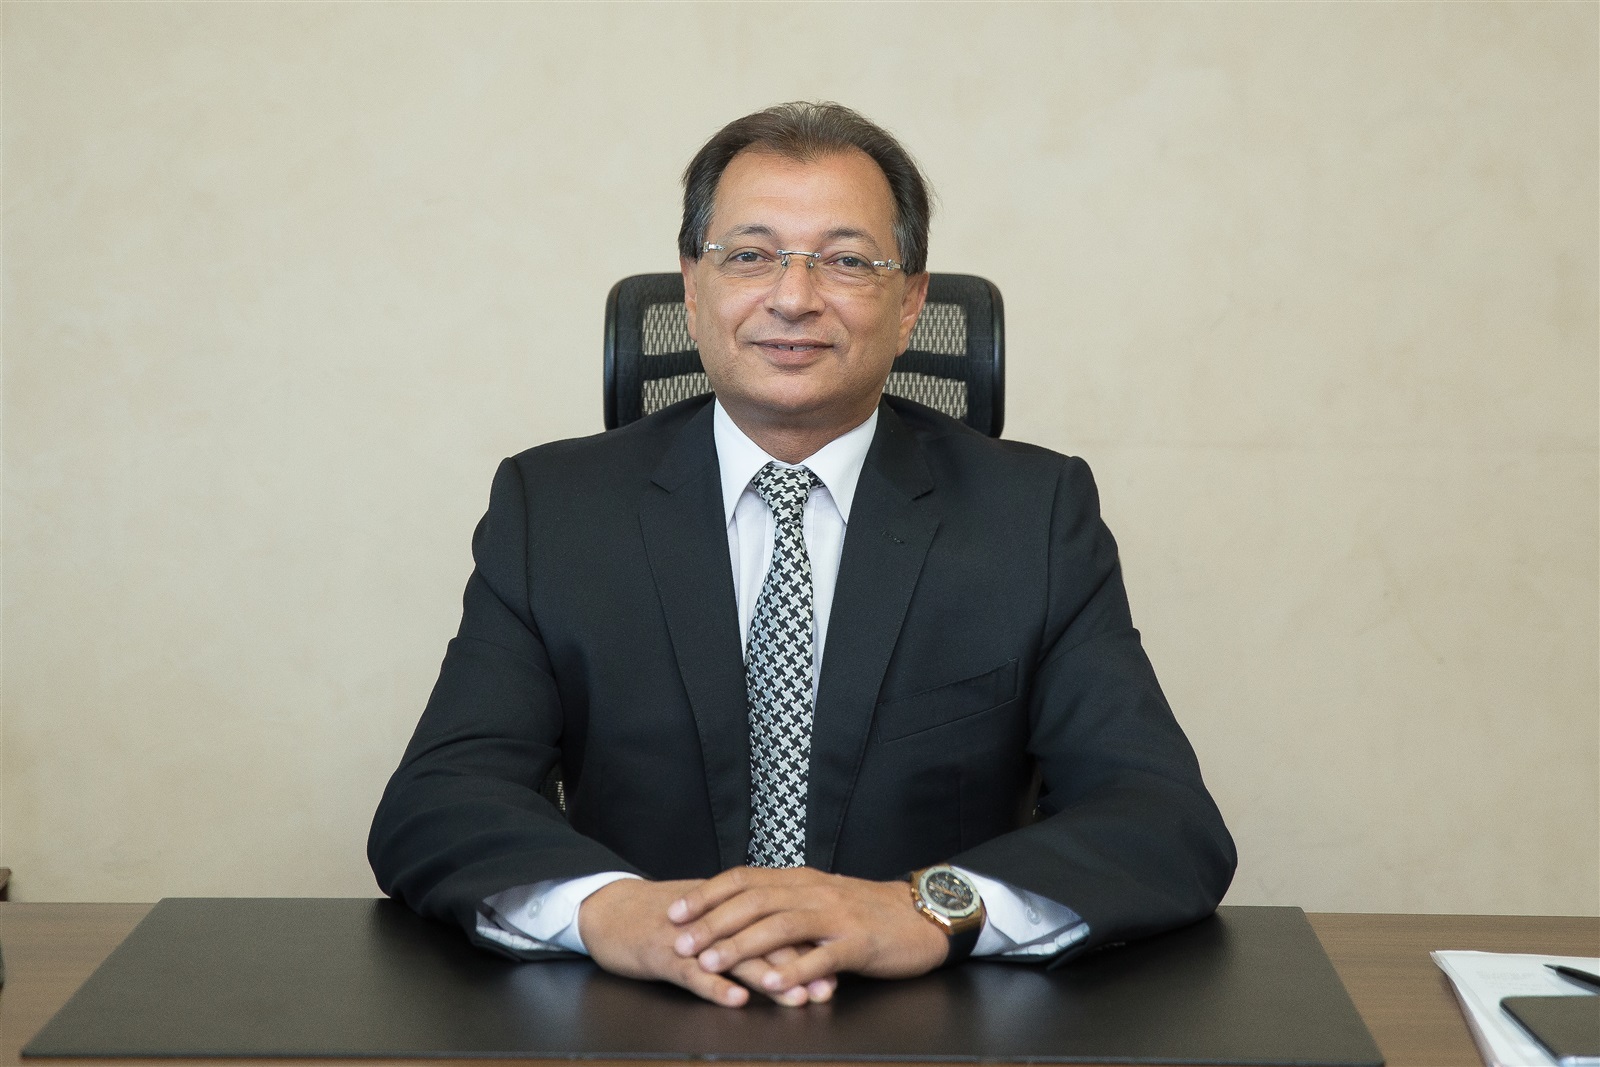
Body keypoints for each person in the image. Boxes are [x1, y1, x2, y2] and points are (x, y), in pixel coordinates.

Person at [368, 101, 1236, 1010]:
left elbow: (1163, 818)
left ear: (911, 306)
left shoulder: (1033, 517)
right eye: (750, 255)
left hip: (928, 1026)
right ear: (692, 290)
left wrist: (924, 908)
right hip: (636, 1016)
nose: (792, 297)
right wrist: (612, 910)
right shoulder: (554, 511)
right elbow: (440, 796)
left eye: (847, 261)